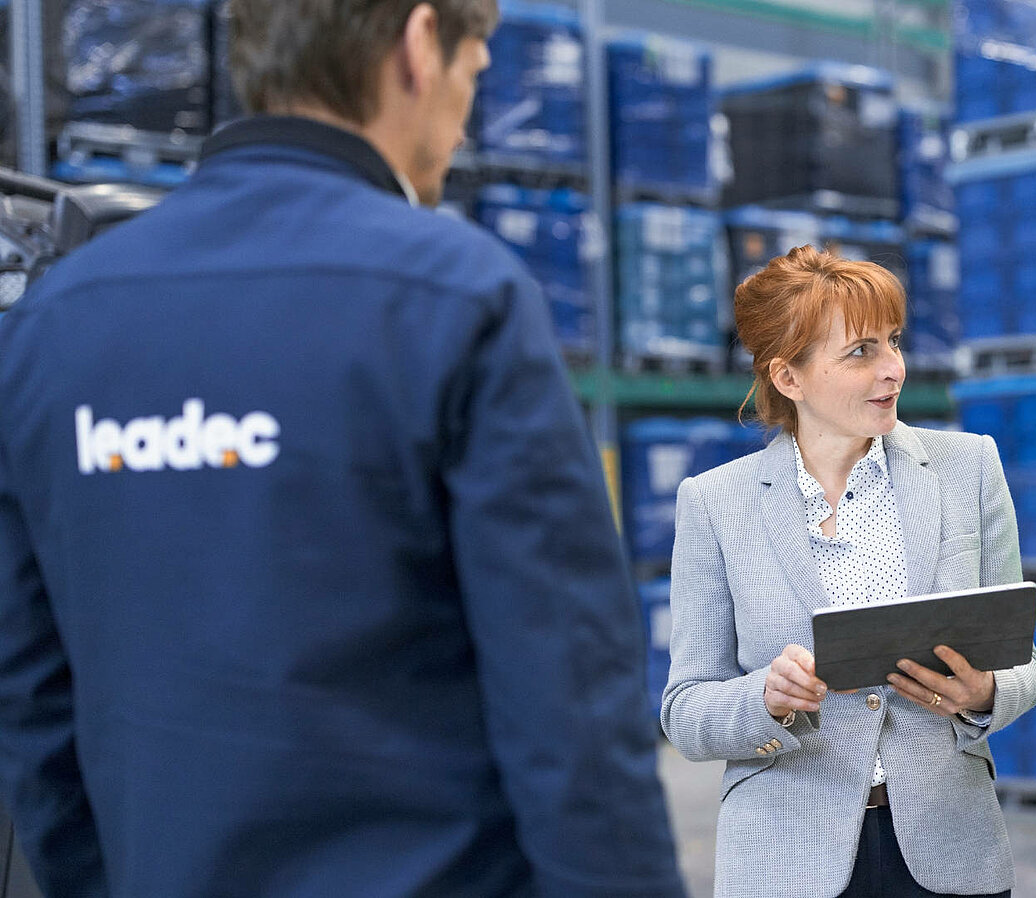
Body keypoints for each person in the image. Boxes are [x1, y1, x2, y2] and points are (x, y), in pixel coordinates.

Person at [0, 2, 685, 895]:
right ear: (417, 45)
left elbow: (35, 698)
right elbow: (571, 711)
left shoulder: (54, 325)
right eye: (474, 72)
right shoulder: (457, 296)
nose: (468, 117)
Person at [661, 245, 1036, 898]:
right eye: (861, 352)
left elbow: (1023, 663)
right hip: (788, 861)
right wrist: (765, 699)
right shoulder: (715, 503)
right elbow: (685, 709)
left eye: (893, 342)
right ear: (789, 378)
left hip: (948, 850)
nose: (893, 369)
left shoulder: (969, 467)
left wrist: (983, 694)